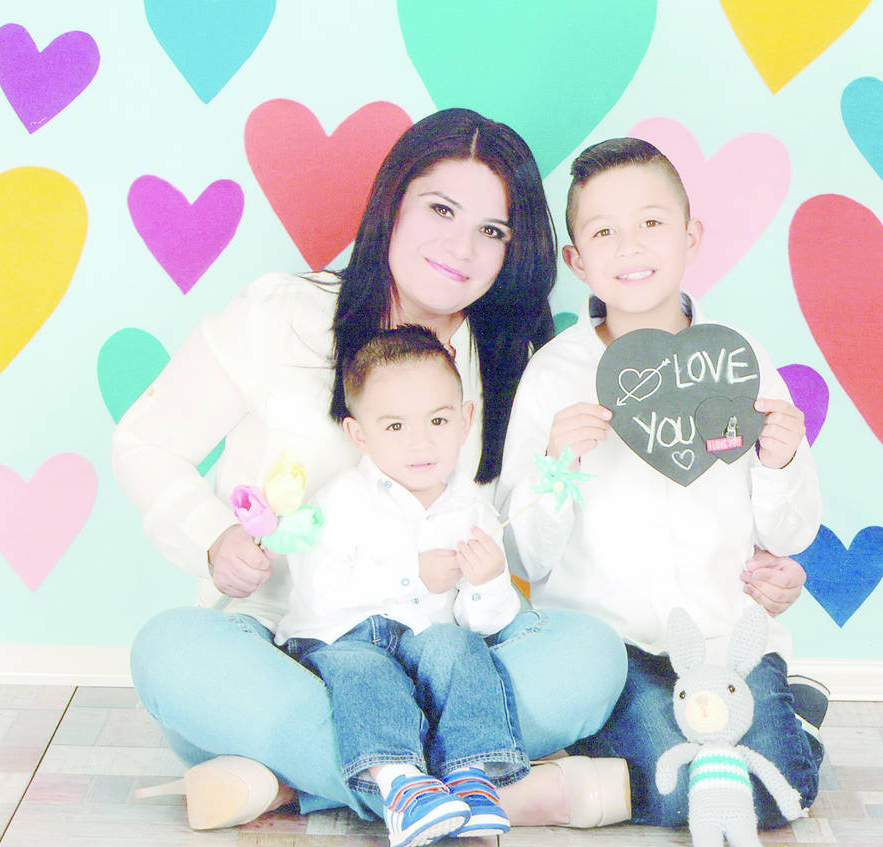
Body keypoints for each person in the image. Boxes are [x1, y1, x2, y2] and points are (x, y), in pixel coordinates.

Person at [116, 108, 633, 831]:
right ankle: (486, 788)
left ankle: (316, 785)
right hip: (282, 659)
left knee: (592, 655)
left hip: (442, 661)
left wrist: (555, 475)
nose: (461, 247)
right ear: (393, 203)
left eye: (492, 231)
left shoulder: (513, 362)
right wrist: (212, 537)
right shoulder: (282, 314)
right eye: (441, 210)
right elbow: (145, 440)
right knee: (172, 652)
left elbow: (517, 546)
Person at [496, 137, 826, 830]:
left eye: (651, 222)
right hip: (618, 653)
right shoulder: (555, 375)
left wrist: (781, 461)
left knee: (780, 791)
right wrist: (557, 467)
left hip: (727, 639)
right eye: (604, 232)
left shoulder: (739, 358)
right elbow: (524, 556)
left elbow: (791, 533)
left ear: (690, 237)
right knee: (679, 792)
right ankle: (639, 749)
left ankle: (788, 715)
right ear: (577, 261)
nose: (631, 246)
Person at [278, 325, 530, 846]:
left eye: (438, 420)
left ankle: (471, 775)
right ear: (359, 435)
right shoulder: (340, 500)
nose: (420, 442)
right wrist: (412, 572)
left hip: (424, 641)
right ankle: (401, 786)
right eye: (395, 426)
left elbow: (485, 626)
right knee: (367, 668)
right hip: (341, 638)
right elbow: (321, 591)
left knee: (460, 649)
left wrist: (487, 582)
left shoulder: (474, 510)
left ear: (465, 420)